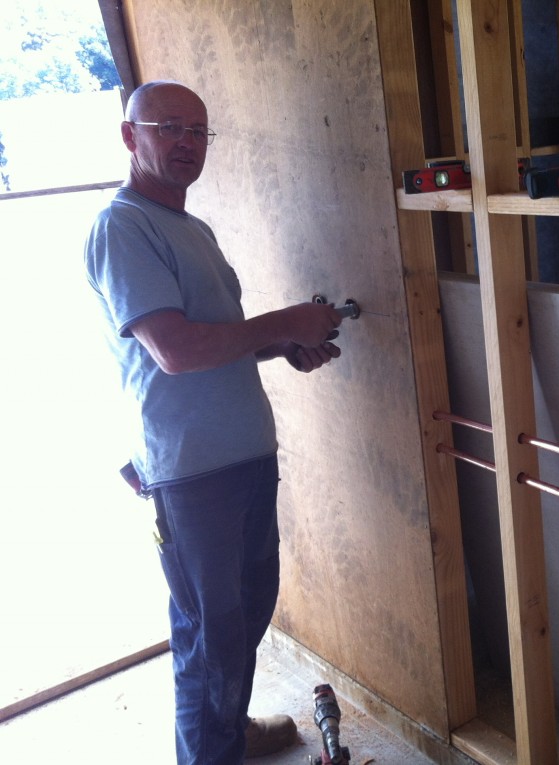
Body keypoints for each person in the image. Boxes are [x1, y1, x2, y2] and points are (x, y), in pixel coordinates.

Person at [85, 80, 344, 764]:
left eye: (198, 131)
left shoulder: (190, 228)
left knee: (247, 609)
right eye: (167, 127)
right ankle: (212, 749)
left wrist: (281, 345)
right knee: (210, 632)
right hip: (190, 467)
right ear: (129, 135)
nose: (185, 143)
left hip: (245, 452)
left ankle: (225, 731)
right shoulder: (122, 226)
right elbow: (174, 349)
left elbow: (219, 337)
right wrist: (285, 320)